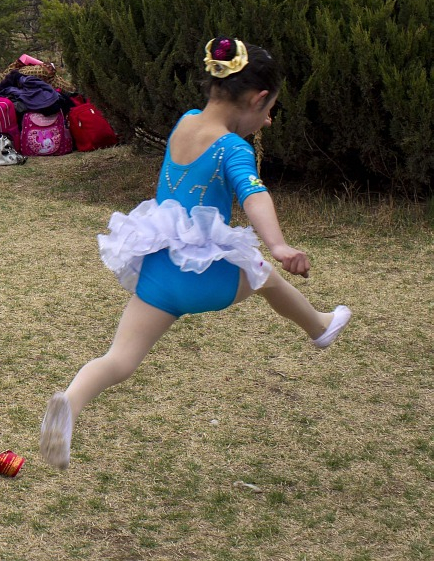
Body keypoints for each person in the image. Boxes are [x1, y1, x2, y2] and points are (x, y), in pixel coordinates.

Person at [38, 36, 352, 470]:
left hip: (159, 268)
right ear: (258, 99)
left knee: (120, 358)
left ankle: (68, 405)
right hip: (205, 275)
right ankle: (318, 326)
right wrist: (278, 244)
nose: (268, 119)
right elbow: (253, 194)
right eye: (268, 110)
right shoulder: (234, 148)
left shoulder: (186, 122)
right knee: (264, 272)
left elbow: (213, 156)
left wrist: (248, 128)